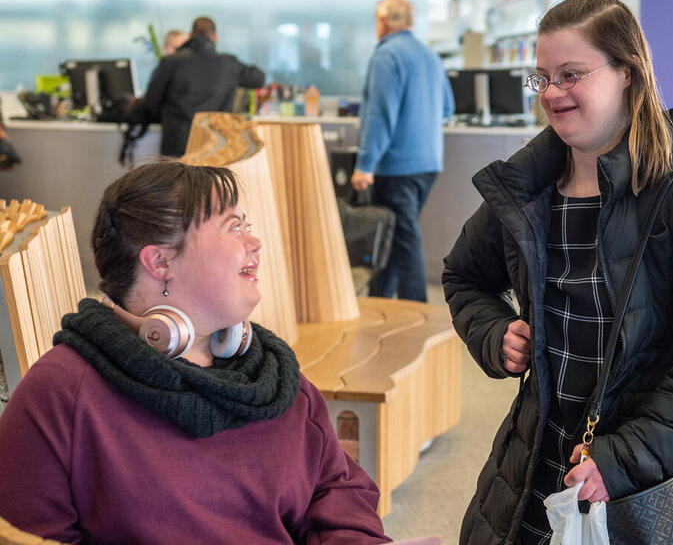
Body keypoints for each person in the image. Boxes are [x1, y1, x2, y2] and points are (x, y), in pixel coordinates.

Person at [442, 0, 673, 544]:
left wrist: (625, 460)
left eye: (571, 74)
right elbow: (464, 277)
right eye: (542, 78)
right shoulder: (528, 190)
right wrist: (494, 333)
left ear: (627, 74)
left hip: (644, 476)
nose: (552, 93)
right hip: (537, 462)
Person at [0, 162, 390, 544]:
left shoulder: (274, 379)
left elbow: (339, 498)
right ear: (160, 261)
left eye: (247, 225)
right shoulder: (62, 393)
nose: (255, 242)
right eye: (233, 227)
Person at [351, 0, 454, 302]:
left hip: (397, 167)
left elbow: (380, 115)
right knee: (393, 237)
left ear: (383, 22)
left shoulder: (386, 56)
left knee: (404, 241)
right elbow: (447, 107)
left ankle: (417, 308)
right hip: (428, 164)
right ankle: (380, 300)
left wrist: (365, 164)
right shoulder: (430, 56)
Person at [144, 17, 265, 157]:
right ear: (215, 37)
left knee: (175, 173)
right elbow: (259, 79)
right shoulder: (229, 63)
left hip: (178, 146)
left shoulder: (171, 62)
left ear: (190, 35)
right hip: (217, 148)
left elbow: (151, 102)